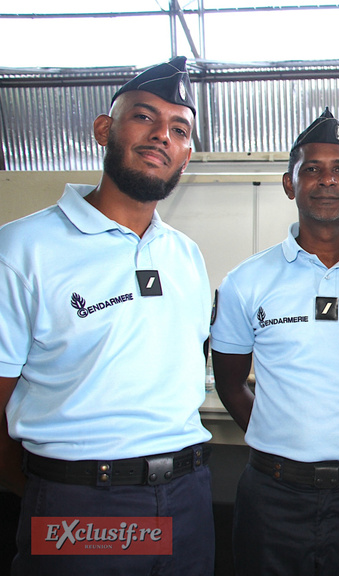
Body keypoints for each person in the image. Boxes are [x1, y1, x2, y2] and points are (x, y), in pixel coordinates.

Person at [0, 56, 214, 574]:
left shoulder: (186, 256)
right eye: (144, 117)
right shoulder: (23, 248)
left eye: (179, 128)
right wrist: (48, 487)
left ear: (187, 155)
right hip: (83, 501)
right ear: (104, 129)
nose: (162, 135)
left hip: (187, 497)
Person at [210, 108, 339, 576]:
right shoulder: (246, 281)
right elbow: (229, 383)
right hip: (272, 494)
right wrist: (276, 434)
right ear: (290, 185)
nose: (327, 180)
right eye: (311, 169)